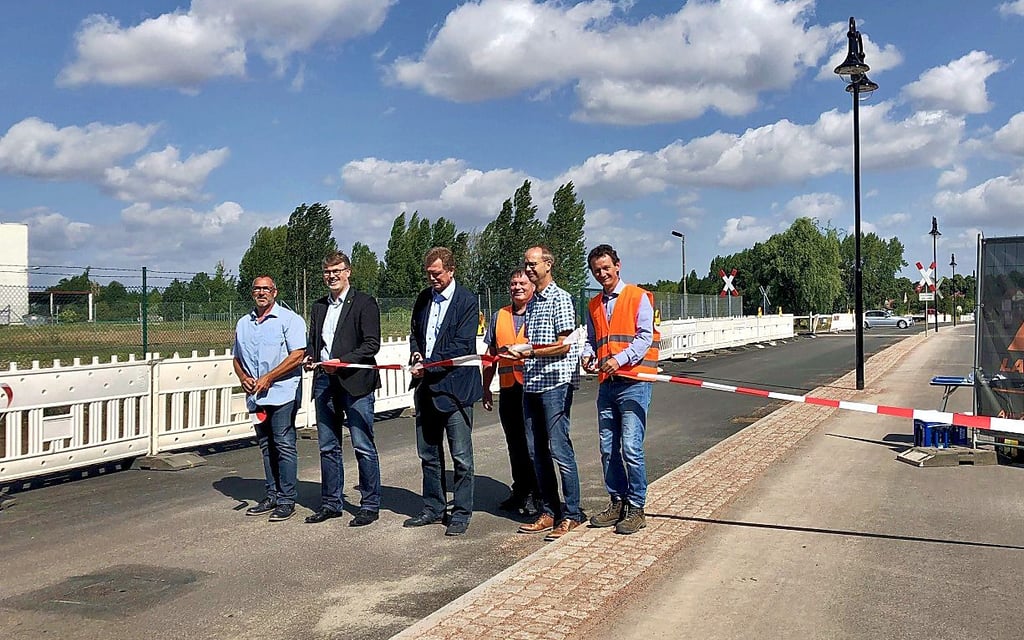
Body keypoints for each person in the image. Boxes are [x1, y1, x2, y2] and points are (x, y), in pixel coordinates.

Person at [505, 245, 584, 542]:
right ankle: (550, 511)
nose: (528, 269)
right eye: (525, 264)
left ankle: (572, 513)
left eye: (533, 264)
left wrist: (531, 351)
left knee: (560, 450)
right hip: (533, 384)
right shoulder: (535, 302)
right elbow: (534, 343)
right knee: (536, 452)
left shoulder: (560, 299)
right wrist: (523, 352)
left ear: (548, 264)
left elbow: (563, 344)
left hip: (555, 384)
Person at [581, 244, 659, 535]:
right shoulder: (594, 305)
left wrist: (619, 359)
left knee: (631, 448)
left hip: (634, 383)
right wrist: (588, 354)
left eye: (606, 268)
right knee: (607, 448)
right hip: (607, 384)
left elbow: (644, 338)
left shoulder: (638, 297)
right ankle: (617, 501)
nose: (602, 274)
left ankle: (637, 507)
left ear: (617, 266)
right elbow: (591, 338)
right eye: (597, 270)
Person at [406, 247, 482, 537]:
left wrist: (428, 365)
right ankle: (433, 508)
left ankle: (461, 513)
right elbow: (415, 332)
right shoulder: (424, 298)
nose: (432, 279)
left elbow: (462, 346)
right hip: (426, 389)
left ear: (451, 270)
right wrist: (415, 354)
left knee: (461, 457)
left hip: (455, 390)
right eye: (429, 274)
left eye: (436, 273)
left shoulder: (466, 301)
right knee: (428, 454)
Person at [304, 251, 382, 527]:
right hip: (325, 381)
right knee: (328, 446)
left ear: (348, 272)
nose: (332, 276)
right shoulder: (319, 306)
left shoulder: (364, 303)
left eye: (337, 270)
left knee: (362, 445)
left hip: (355, 382)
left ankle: (370, 504)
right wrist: (310, 356)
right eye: (327, 271)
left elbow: (371, 344)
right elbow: (315, 342)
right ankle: (331, 503)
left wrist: (343, 362)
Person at [232, 276, 306, 522]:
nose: (261, 292)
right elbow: (237, 357)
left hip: (283, 391)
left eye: (266, 288)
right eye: (257, 288)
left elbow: (297, 355)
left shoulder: (289, 320)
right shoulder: (244, 323)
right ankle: (272, 493)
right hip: (256, 396)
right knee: (266, 445)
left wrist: (270, 377)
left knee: (283, 444)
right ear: (252, 292)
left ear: (275, 291)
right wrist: (243, 377)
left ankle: (287, 499)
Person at [482, 268, 539, 516]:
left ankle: (538, 494)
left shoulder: (539, 313)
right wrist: (485, 387)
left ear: (532, 286)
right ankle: (520, 491)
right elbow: (490, 355)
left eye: (522, 283)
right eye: (513, 283)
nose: (517, 287)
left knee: (533, 444)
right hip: (508, 390)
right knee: (514, 444)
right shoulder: (499, 316)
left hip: (534, 387)